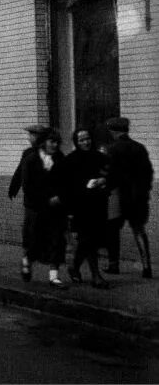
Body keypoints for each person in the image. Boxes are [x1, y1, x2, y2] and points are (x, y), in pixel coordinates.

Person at [16, 129, 68, 287]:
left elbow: (66, 180)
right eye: (51, 141)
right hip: (36, 207)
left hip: (56, 208)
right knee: (33, 239)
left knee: (57, 240)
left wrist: (60, 196)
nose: (55, 145)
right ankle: (26, 262)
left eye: (57, 142)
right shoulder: (30, 159)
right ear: (43, 142)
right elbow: (27, 185)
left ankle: (54, 276)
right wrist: (45, 199)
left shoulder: (60, 158)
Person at [104, 116, 153, 279]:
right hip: (138, 197)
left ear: (113, 131)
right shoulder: (140, 148)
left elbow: (109, 174)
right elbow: (148, 173)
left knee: (112, 230)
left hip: (118, 197)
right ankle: (146, 267)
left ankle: (113, 265)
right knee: (139, 230)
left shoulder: (111, 149)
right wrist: (144, 191)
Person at [62, 128, 110, 287]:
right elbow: (67, 187)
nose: (86, 142)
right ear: (76, 142)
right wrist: (68, 211)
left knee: (87, 241)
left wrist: (103, 181)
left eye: (88, 138)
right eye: (81, 140)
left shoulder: (100, 157)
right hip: (80, 207)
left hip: (98, 204)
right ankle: (96, 276)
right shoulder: (70, 160)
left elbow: (112, 175)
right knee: (90, 240)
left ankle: (74, 267)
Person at [8, 124, 49, 272]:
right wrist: (14, 187)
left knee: (41, 226)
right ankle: (32, 254)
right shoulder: (28, 153)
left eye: (31, 135)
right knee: (31, 227)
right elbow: (20, 171)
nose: (29, 138)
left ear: (38, 137)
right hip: (33, 199)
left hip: (42, 198)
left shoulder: (47, 153)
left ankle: (40, 253)